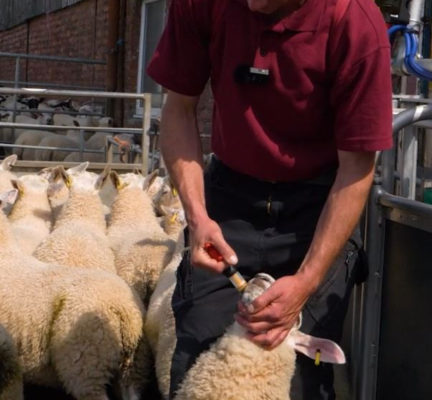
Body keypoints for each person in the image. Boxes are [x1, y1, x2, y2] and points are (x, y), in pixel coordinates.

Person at [147, 0, 392, 398]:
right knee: (200, 360)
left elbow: (356, 169)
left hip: (317, 209)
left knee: (296, 377)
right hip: (227, 202)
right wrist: (197, 216)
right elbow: (178, 109)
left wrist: (307, 281)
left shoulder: (354, 21)